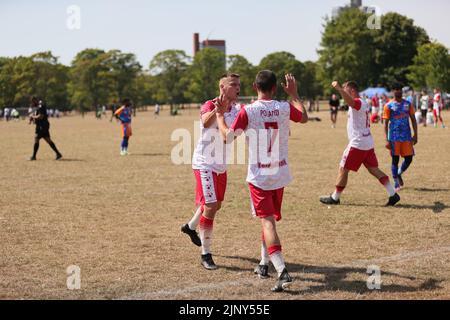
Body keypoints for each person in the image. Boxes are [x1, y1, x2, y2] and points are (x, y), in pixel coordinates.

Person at [216, 71, 308, 292]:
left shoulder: (249, 110)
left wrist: (219, 115)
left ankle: (282, 269)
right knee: (268, 222)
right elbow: (303, 117)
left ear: (254, 86)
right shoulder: (284, 107)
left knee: (267, 222)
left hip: (260, 175)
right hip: (281, 172)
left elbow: (227, 137)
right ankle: (264, 263)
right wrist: (294, 94)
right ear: (275, 88)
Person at [181, 73, 242, 271]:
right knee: (211, 205)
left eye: (239, 85)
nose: (238, 88)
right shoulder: (209, 104)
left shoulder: (238, 109)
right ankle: (206, 254)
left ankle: (190, 227)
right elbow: (205, 123)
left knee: (216, 205)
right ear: (222, 87)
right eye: (233, 85)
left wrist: (224, 114)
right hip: (204, 163)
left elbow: (231, 135)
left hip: (221, 166)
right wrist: (217, 111)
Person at [320, 81, 400, 207]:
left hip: (358, 143)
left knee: (343, 168)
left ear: (352, 91)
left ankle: (335, 197)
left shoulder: (358, 102)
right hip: (366, 142)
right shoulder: (362, 102)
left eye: (346, 91)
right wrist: (342, 91)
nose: (344, 94)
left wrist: (340, 89)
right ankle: (392, 193)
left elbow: (351, 102)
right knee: (373, 169)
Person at [383, 83, 418, 191]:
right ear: (393, 91)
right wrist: (387, 139)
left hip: (407, 137)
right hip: (394, 137)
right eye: (396, 89)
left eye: (400, 89)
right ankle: (396, 183)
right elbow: (385, 124)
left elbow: (413, 119)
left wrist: (415, 135)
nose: (398, 91)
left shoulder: (408, 104)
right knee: (395, 160)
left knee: (409, 159)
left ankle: (398, 173)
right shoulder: (388, 106)